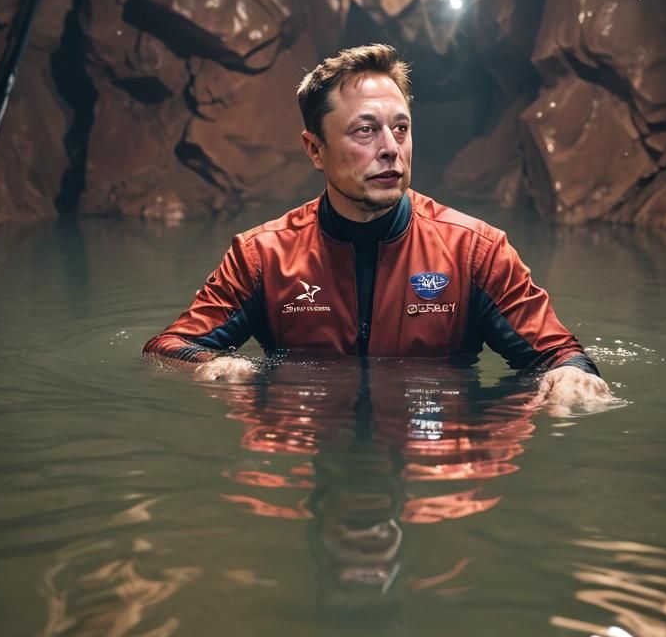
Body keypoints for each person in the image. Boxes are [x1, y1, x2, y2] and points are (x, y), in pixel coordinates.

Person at [143, 44, 611, 411]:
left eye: (401, 128)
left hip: (432, 453)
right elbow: (169, 346)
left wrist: (572, 375)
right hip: (303, 447)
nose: (391, 148)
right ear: (315, 149)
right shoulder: (262, 256)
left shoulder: (474, 252)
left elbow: (558, 353)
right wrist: (213, 365)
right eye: (365, 130)